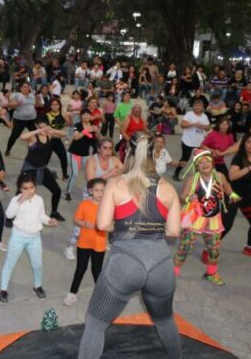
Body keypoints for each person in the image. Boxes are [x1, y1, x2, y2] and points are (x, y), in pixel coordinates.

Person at [77, 133, 182, 359]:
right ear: (155, 152)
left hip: (125, 262)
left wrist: (129, 226)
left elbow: (103, 224)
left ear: (127, 151)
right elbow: (174, 231)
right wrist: (149, 228)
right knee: (165, 321)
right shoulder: (169, 188)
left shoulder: (115, 184)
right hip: (160, 264)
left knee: (95, 324)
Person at [174, 149, 238, 286]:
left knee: (214, 250)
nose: (204, 164)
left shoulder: (220, 176)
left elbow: (227, 187)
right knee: (185, 249)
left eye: (207, 161)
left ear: (212, 162)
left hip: (214, 219)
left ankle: (211, 273)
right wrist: (188, 198)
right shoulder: (192, 179)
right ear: (196, 166)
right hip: (195, 218)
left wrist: (232, 194)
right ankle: (172, 274)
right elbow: (181, 197)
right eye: (200, 162)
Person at [0, 173, 58, 304]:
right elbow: (9, 214)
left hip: (34, 238)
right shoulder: (16, 200)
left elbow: (41, 216)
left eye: (31, 187)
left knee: (37, 264)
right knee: (10, 264)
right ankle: (3, 290)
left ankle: (37, 286)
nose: (29, 191)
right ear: (20, 189)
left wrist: (49, 220)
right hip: (18, 237)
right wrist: (20, 200)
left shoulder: (39, 200)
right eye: (25, 188)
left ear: (35, 187)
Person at [64, 138, 123, 261]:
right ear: (98, 149)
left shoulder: (115, 160)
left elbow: (123, 174)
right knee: (83, 223)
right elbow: (91, 183)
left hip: (106, 196)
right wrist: (110, 174)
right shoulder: (92, 161)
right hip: (91, 195)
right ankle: (69, 247)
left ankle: (101, 242)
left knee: (104, 220)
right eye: (105, 148)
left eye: (110, 148)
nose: (108, 151)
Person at [63, 178, 107, 306]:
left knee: (96, 270)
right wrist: (83, 223)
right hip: (84, 242)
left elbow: (111, 223)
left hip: (99, 244)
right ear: (90, 191)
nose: (99, 193)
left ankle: (100, 295)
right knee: (80, 268)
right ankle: (72, 293)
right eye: (96, 190)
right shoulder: (85, 204)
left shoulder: (108, 206)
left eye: (102, 190)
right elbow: (76, 219)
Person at [18, 116, 67, 222]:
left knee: (57, 191)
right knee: (21, 193)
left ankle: (54, 213)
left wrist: (51, 130)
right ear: (36, 126)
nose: (43, 130)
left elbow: (64, 133)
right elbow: (22, 137)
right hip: (30, 168)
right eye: (40, 127)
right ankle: (12, 215)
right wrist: (38, 131)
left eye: (44, 127)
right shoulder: (33, 137)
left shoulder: (50, 135)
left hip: (42, 169)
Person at [64, 109, 99, 202]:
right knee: (74, 174)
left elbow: (95, 141)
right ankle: (67, 192)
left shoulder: (93, 126)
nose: (86, 116)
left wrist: (97, 131)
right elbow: (76, 137)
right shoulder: (77, 125)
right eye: (84, 114)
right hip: (73, 153)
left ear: (90, 116)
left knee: (89, 174)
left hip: (85, 155)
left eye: (88, 114)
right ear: (81, 116)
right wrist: (85, 131)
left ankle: (90, 192)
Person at [173, 99, 210, 181]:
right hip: (187, 141)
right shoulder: (189, 114)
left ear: (202, 107)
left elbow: (208, 128)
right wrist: (193, 124)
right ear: (193, 106)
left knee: (200, 160)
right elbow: (182, 125)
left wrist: (202, 126)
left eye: (199, 106)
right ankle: (176, 173)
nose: (197, 107)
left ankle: (199, 176)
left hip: (199, 142)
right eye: (195, 105)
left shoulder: (204, 116)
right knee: (185, 159)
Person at [4, 82, 37, 156]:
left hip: (31, 119)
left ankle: (38, 150)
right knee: (14, 135)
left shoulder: (32, 96)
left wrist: (38, 99)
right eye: (24, 87)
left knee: (36, 134)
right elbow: (9, 105)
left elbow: (36, 105)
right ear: (20, 88)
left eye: (27, 86)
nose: (26, 88)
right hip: (20, 120)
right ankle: (8, 150)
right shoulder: (17, 95)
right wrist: (17, 104)